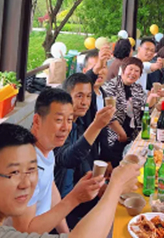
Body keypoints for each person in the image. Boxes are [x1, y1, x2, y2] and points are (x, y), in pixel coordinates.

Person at [0, 122, 140, 238]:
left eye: (31, 170)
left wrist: (76, 198)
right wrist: (116, 186)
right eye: (14, 172)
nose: (26, 183)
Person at [10, 88, 104, 234]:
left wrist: (66, 234)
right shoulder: (26, 166)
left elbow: (52, 193)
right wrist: (75, 198)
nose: (66, 128)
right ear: (37, 121)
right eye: (59, 120)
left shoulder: (47, 150)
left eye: (69, 120)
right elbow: (24, 232)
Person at [55, 74, 116, 227]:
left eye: (88, 96)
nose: (85, 102)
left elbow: (84, 157)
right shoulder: (57, 125)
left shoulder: (79, 122)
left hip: (78, 193)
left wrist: (97, 181)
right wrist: (97, 125)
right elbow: (67, 158)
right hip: (60, 204)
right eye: (79, 96)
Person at [101, 57, 152, 165]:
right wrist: (122, 134)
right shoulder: (111, 86)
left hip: (133, 136)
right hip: (115, 137)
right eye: (130, 69)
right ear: (123, 70)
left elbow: (144, 108)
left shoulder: (137, 88)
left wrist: (151, 99)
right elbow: (108, 115)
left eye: (137, 71)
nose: (133, 73)